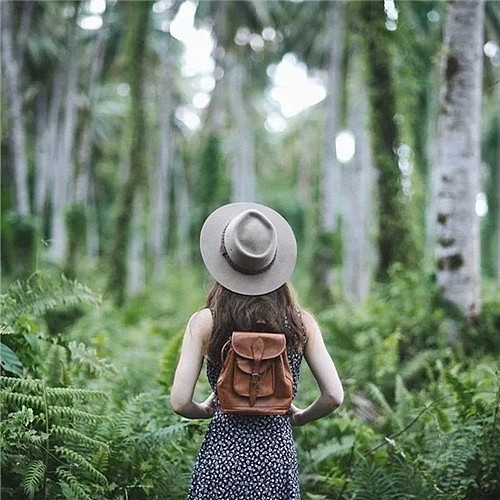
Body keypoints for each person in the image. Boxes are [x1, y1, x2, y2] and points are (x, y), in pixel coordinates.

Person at [171, 202, 344, 499]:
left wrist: (207, 408)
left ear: (224, 263)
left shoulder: (206, 322)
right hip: (276, 460)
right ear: (275, 263)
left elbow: (179, 402)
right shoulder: (301, 323)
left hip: (222, 459)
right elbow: (334, 396)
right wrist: (300, 416)